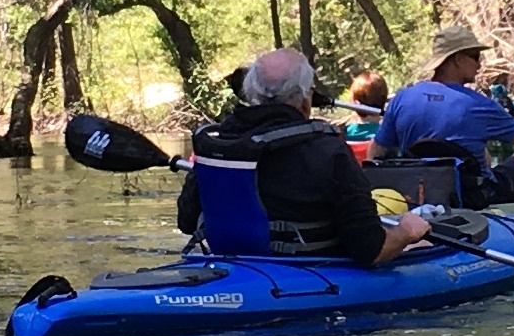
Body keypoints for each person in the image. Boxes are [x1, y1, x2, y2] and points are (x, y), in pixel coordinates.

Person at [180, 49, 435, 265]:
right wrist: (405, 232)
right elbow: (371, 250)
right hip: (307, 273)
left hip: (233, 265)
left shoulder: (215, 142)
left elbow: (186, 221)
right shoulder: (329, 150)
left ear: (251, 93)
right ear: (304, 99)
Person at [375, 23, 514, 204]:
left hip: (419, 194)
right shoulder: (477, 104)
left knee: (485, 155)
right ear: (457, 59)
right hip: (475, 196)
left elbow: (376, 153)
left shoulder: (401, 99)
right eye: (475, 57)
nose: (479, 64)